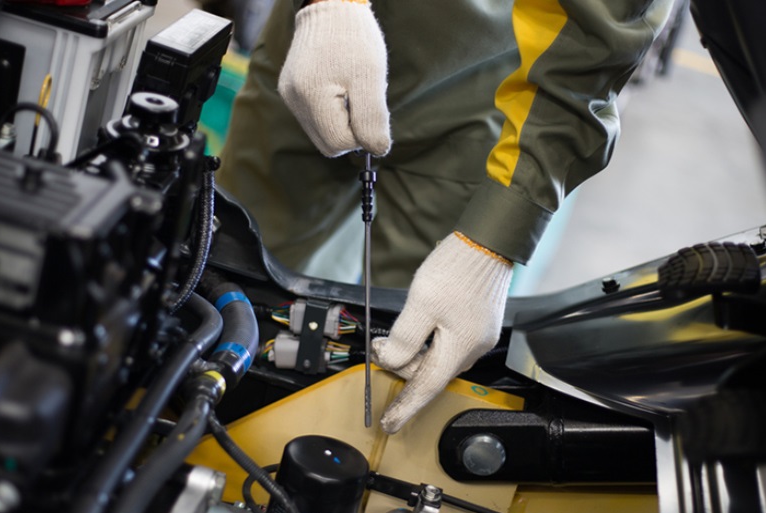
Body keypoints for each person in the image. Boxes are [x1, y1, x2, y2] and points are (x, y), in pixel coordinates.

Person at [218, 0, 673, 433]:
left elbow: (602, 32)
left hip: (483, 103)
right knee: (230, 282)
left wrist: (493, 239)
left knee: (406, 357)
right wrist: (326, 6)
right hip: (318, 47)